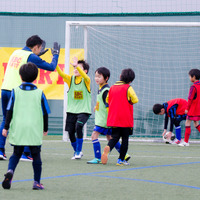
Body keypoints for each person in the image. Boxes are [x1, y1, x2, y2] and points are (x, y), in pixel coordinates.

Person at [0, 35, 60, 161]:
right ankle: (25, 153)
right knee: (26, 119)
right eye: (40, 48)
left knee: (6, 119)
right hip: (16, 92)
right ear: (36, 47)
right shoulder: (31, 56)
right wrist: (56, 55)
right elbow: (51, 67)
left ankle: (1, 150)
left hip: (5, 89)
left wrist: (37, 56)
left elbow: (29, 58)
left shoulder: (16, 52)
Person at [2, 63, 50, 190]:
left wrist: (5, 127)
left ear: (20, 76)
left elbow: (9, 111)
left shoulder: (15, 91)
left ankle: (10, 171)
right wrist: (45, 128)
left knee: (16, 153)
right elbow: (45, 113)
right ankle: (36, 182)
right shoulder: (40, 93)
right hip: (34, 129)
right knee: (36, 155)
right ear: (36, 77)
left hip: (19, 128)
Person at [87, 67, 131, 164]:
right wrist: (96, 107)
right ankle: (124, 154)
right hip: (105, 119)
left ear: (106, 78)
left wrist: (110, 118)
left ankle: (98, 157)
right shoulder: (101, 88)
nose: (96, 78)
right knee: (110, 138)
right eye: (95, 76)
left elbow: (109, 105)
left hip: (104, 120)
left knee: (94, 135)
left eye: (99, 76)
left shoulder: (106, 90)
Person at [101, 68, 138, 166]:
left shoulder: (112, 87)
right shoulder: (128, 88)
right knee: (125, 139)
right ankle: (120, 160)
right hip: (125, 119)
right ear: (130, 81)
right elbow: (135, 100)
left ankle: (109, 147)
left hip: (114, 118)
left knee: (115, 137)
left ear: (120, 76)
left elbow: (107, 101)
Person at [56, 57, 91, 159]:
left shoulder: (86, 80)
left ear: (85, 71)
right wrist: (55, 63)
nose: (75, 69)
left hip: (83, 111)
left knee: (78, 126)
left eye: (78, 68)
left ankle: (78, 151)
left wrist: (76, 65)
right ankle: (77, 151)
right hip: (72, 111)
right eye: (75, 68)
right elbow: (61, 74)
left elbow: (85, 76)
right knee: (71, 132)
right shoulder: (70, 79)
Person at [179, 69, 200, 147]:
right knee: (196, 124)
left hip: (193, 109)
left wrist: (187, 109)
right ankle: (186, 141)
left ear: (193, 77)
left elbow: (190, 98)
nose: (189, 78)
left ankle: (186, 142)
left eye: (189, 76)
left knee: (187, 122)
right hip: (198, 109)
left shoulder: (193, 87)